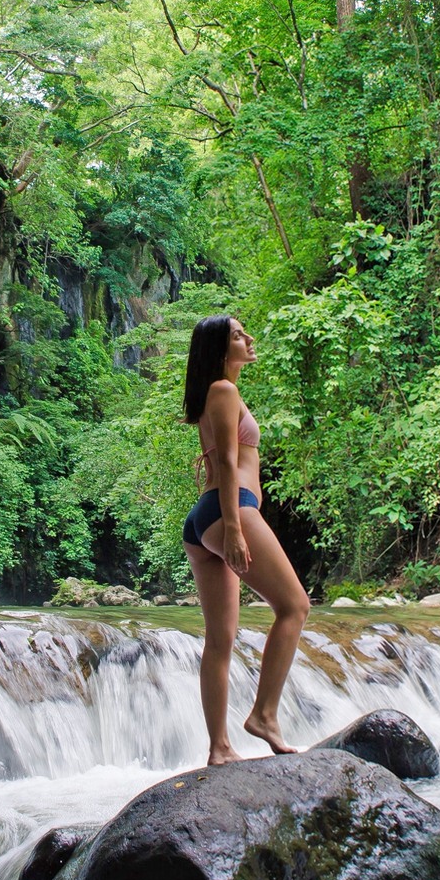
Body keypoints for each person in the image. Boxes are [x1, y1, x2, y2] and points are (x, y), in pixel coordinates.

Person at [180, 314, 310, 764]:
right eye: (238, 334)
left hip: (206, 517)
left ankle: (219, 749)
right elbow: (231, 464)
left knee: (220, 639)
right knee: (294, 607)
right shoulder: (224, 390)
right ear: (220, 350)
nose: (249, 338)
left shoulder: (217, 393)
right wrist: (235, 527)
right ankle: (264, 715)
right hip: (228, 509)